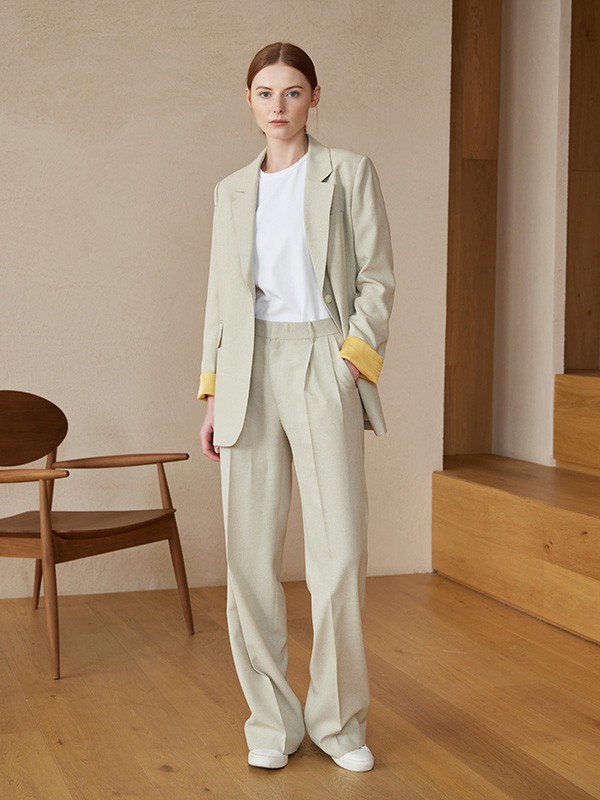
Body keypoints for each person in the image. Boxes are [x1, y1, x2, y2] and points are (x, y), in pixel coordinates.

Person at [198, 42, 394, 773]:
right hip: (247, 368)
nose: (278, 106)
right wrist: (212, 393)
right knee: (249, 558)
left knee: (339, 553)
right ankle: (271, 724)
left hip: (322, 358)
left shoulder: (349, 172)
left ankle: (339, 724)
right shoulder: (230, 192)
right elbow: (220, 299)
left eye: (292, 92)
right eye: (264, 92)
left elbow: (377, 278)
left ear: (314, 97)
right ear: (248, 100)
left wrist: (349, 362)